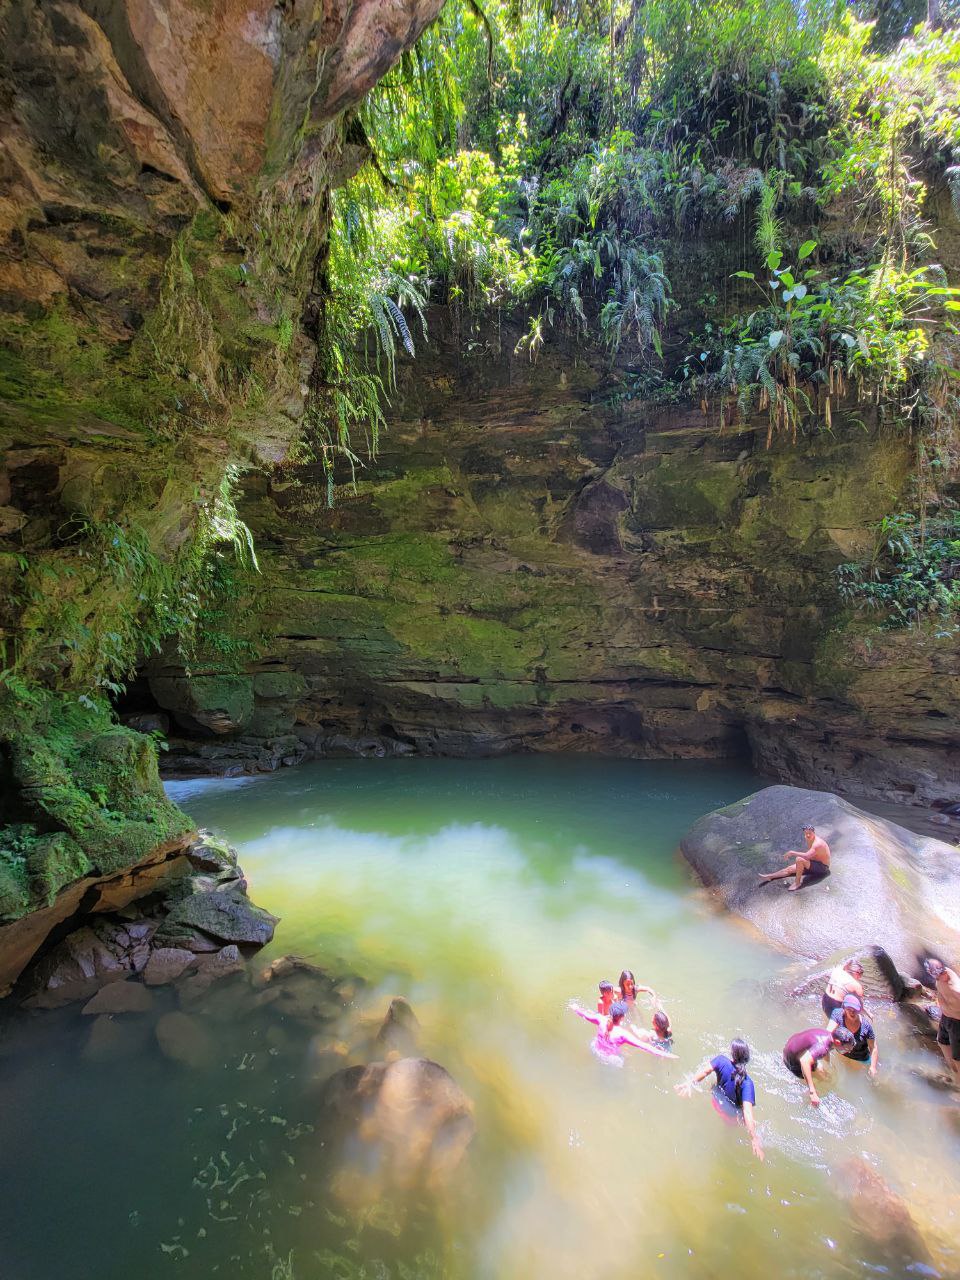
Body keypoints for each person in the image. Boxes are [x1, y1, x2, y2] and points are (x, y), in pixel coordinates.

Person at [674, 1039, 763, 1161]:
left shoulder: (721, 1060)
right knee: (738, 1126)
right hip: (730, 1116)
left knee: (713, 1086)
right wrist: (754, 1138)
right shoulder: (748, 1083)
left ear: (732, 1054)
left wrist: (689, 1083)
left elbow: (705, 1072)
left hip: (715, 1102)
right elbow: (747, 1112)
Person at [568, 999, 677, 1064]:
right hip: (610, 1059)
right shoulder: (623, 1034)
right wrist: (667, 1055)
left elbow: (586, 1015)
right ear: (622, 1017)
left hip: (595, 1049)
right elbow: (645, 1047)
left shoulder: (600, 1019)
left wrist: (575, 1008)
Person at [782, 1025, 855, 1105]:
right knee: (817, 1084)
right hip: (792, 1059)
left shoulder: (828, 1035)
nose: (848, 1052)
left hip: (791, 1044)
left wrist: (827, 1065)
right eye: (847, 1049)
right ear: (838, 1042)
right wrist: (812, 1091)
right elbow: (804, 1061)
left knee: (823, 1076)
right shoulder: (822, 1047)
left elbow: (827, 1049)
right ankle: (802, 1095)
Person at [759, 824, 831, 891]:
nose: (808, 835)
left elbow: (807, 855)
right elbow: (810, 854)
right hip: (812, 863)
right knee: (789, 869)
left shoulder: (817, 844)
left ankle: (797, 883)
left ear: (814, 832)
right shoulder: (808, 838)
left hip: (822, 868)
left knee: (799, 859)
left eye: (810, 833)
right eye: (806, 833)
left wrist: (792, 852)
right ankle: (769, 876)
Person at [925, 957, 960, 1083]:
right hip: (946, 1018)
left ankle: (959, 1084)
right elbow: (940, 992)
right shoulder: (940, 977)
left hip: (957, 1023)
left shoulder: (956, 989)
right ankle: (954, 1071)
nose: (936, 977)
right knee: (942, 1041)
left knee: (957, 1058)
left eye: (937, 974)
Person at [827, 994, 878, 1077]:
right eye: (849, 1009)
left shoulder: (866, 1027)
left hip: (859, 1057)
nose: (852, 1012)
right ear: (844, 1008)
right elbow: (827, 1034)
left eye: (855, 1009)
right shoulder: (838, 1014)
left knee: (854, 1075)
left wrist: (873, 1067)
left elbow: (873, 1047)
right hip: (842, 1053)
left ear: (859, 1010)